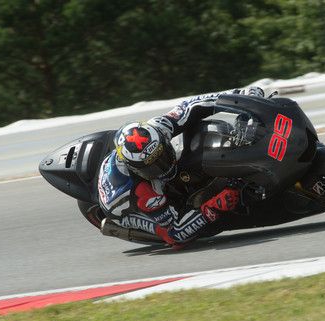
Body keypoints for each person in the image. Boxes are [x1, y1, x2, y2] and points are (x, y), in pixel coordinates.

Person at [97, 86, 265, 248]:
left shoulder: (158, 128)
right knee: (177, 235)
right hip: (123, 208)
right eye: (153, 166)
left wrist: (242, 96)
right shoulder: (143, 193)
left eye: (162, 155)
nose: (163, 165)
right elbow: (174, 234)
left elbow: (192, 105)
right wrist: (213, 206)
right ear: (137, 170)